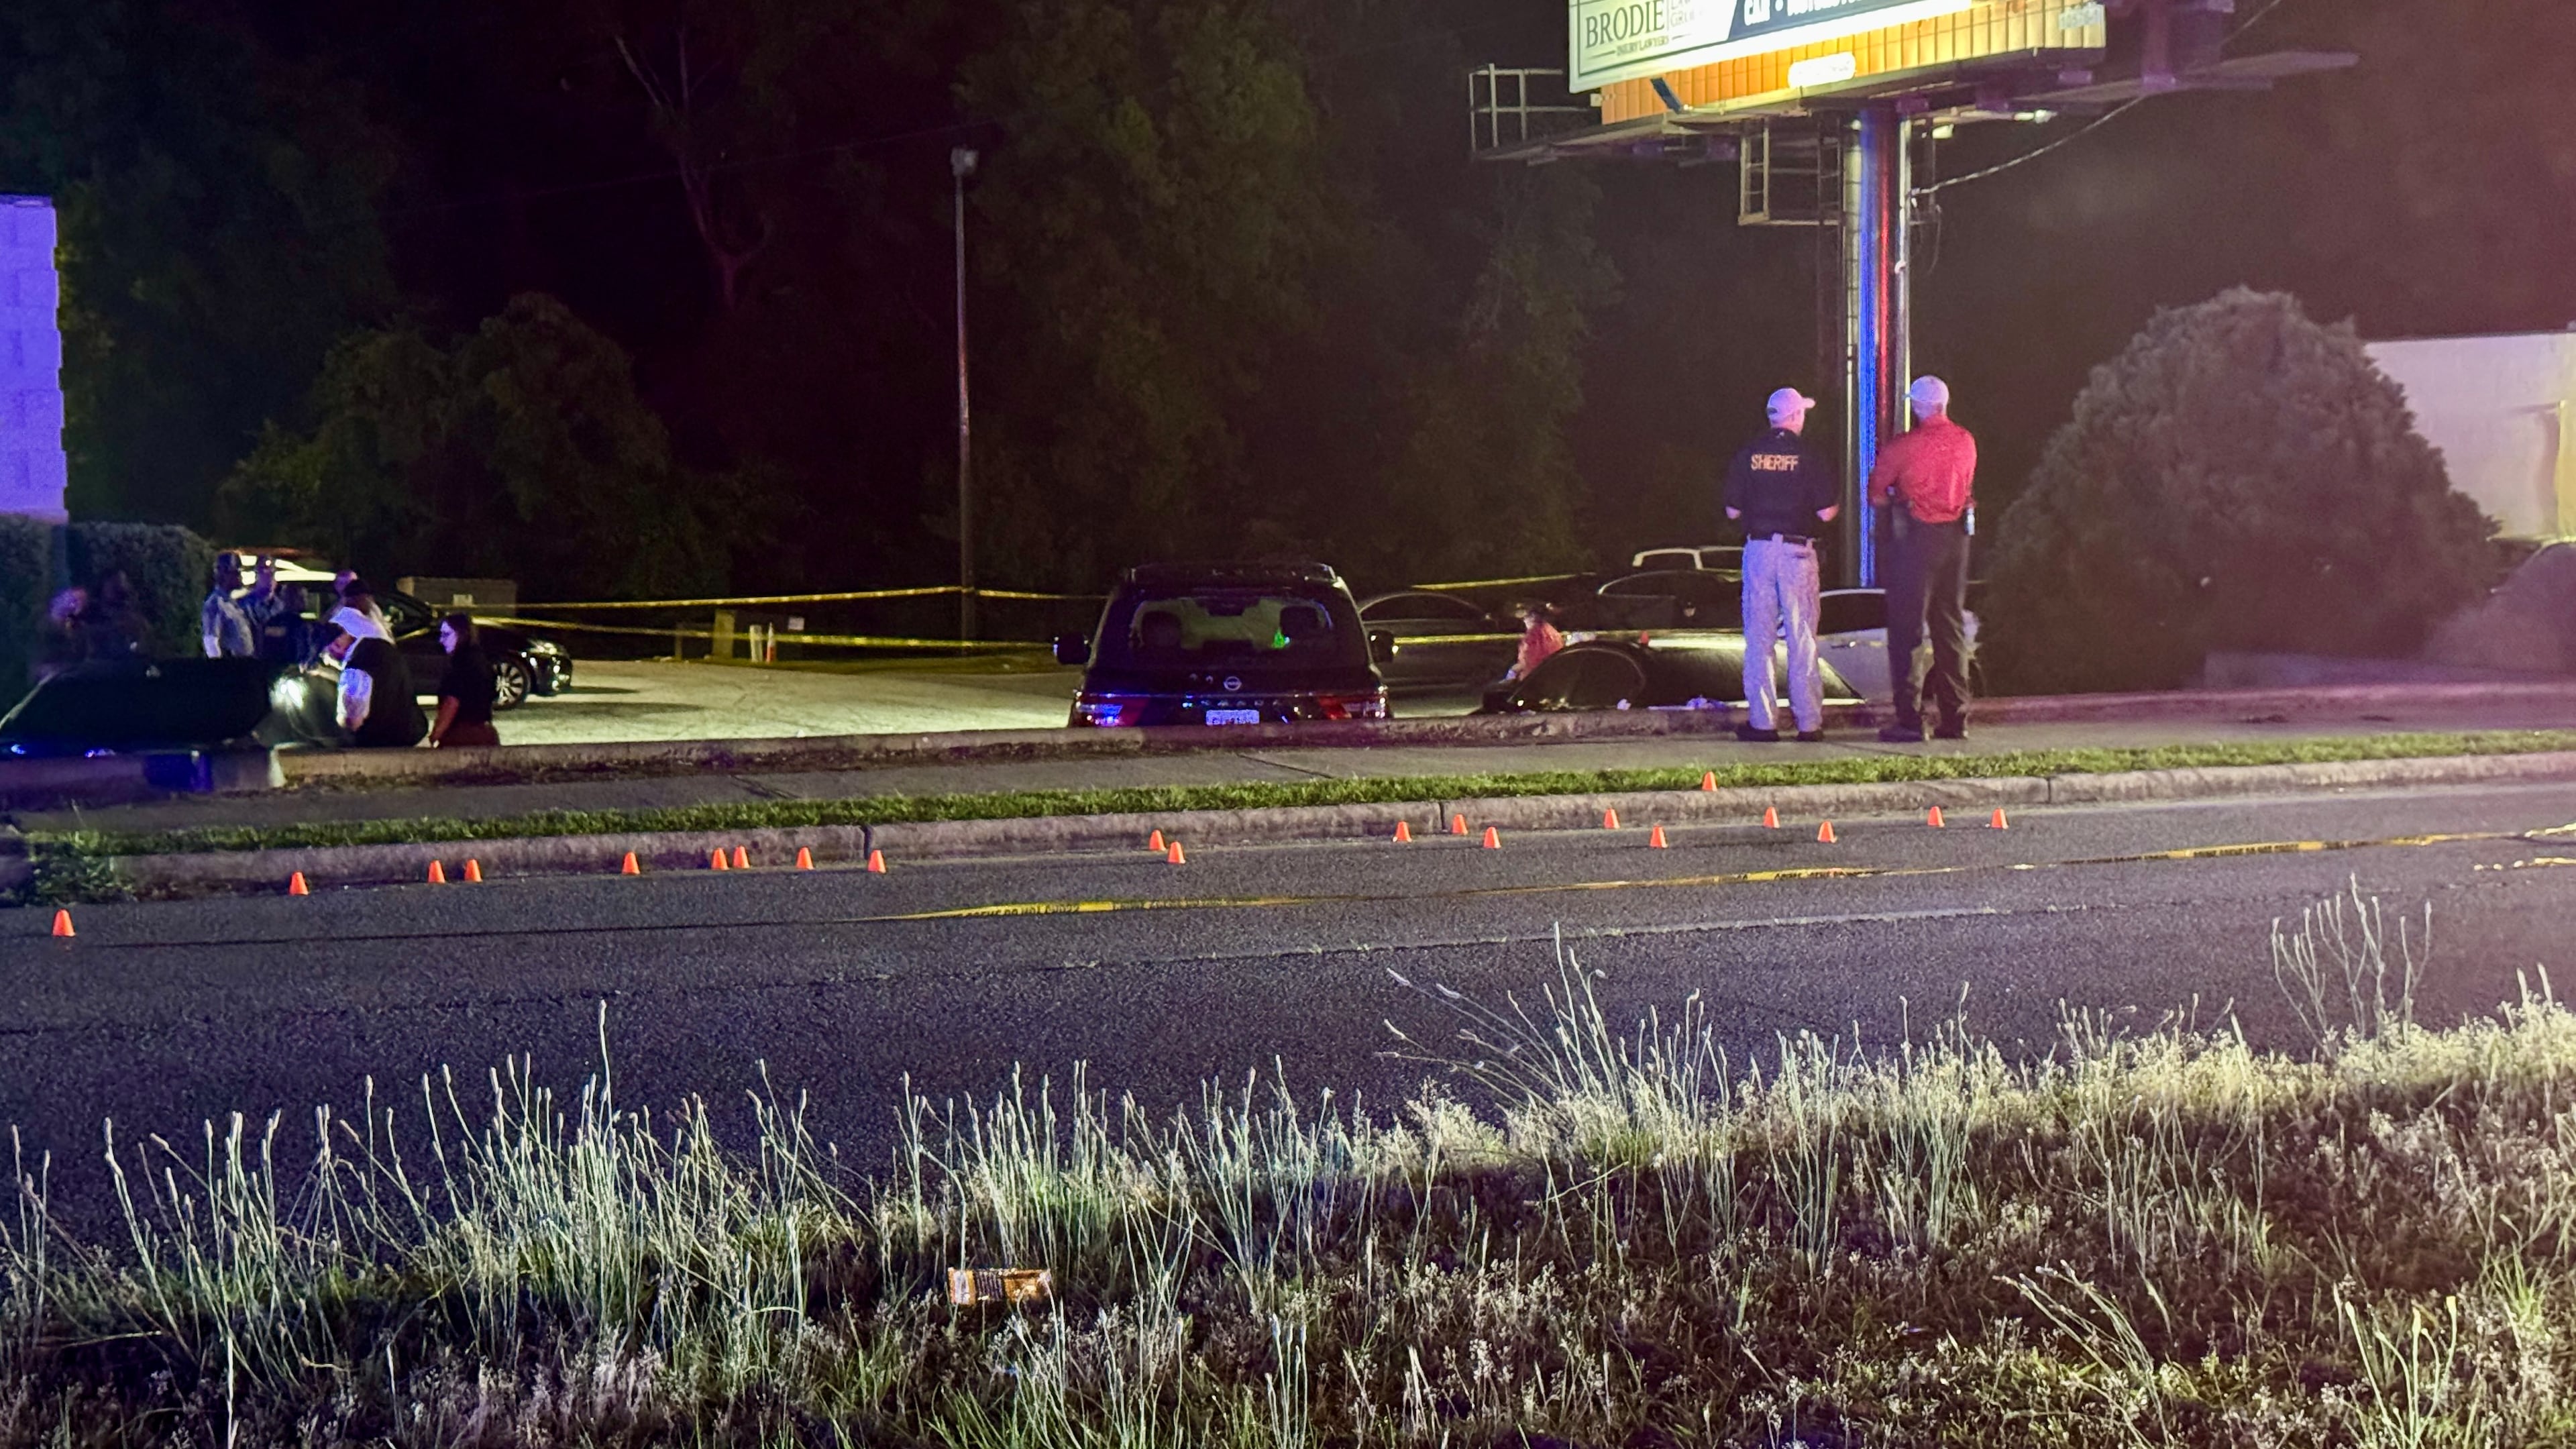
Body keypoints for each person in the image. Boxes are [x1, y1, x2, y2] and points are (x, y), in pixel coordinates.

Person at [1723, 386, 1840, 742]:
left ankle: (1763, 722)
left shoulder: (1748, 454)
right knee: (1801, 637)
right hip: (1796, 553)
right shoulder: (1809, 456)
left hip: (1758, 551)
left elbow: (1732, 510)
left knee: (1759, 639)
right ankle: (1809, 723)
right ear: (1795, 417)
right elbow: (1827, 511)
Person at [1868, 374, 1979, 742]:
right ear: (1945, 404)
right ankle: (1956, 717)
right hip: (1956, 540)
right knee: (1950, 628)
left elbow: (1877, 494)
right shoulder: (1966, 441)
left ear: (1916, 406)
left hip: (1915, 539)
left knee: (1907, 630)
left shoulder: (1904, 447)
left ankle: (1910, 720)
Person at [329, 582, 426, 748]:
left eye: (332, 643)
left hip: (376, 744)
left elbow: (352, 720)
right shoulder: (385, 647)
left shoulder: (357, 665)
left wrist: (333, 721)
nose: (330, 651)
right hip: (406, 737)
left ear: (346, 634)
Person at [427, 613, 500, 748]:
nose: (441, 640)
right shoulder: (482, 660)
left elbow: (452, 702)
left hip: (462, 737)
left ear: (461, 634)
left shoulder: (459, 665)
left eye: (446, 634)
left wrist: (434, 736)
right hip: (486, 734)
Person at [199, 555, 276, 658]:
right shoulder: (216, 604)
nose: (240, 576)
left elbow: (262, 595)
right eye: (236, 572)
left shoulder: (232, 603)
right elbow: (211, 641)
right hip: (233, 667)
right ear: (224, 575)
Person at [78, 572, 151, 661]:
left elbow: (142, 630)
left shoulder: (128, 608)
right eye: (115, 584)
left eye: (122, 583)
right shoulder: (94, 608)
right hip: (102, 659)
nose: (121, 585)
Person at [1511, 604, 1564, 680]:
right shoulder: (1554, 633)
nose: (1524, 621)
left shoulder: (1533, 635)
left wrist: (1512, 673)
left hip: (1533, 680)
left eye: (1525, 618)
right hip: (1553, 677)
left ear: (1532, 618)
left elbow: (1528, 661)